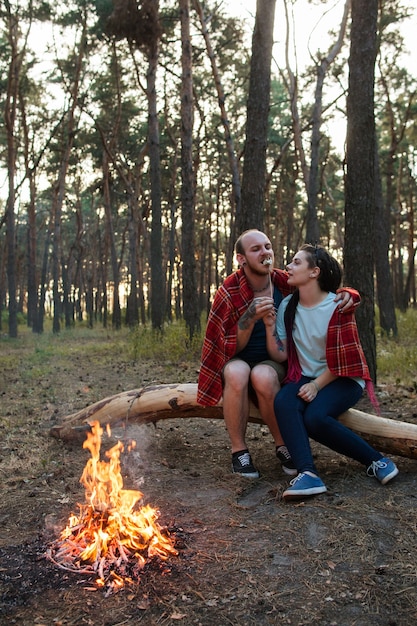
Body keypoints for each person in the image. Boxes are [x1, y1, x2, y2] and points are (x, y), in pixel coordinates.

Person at [197, 230, 359, 479]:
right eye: (256, 249)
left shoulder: (284, 283)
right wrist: (248, 318)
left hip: (275, 360)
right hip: (239, 357)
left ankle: (283, 446)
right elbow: (229, 348)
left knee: (262, 375)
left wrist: (350, 293)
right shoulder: (229, 291)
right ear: (241, 259)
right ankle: (239, 451)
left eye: (268, 246)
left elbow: (320, 288)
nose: (265, 253)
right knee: (237, 371)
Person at [265, 243, 399, 500]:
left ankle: (378, 461)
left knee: (315, 418)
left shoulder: (338, 306)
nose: (288, 267)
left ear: (314, 272)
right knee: (283, 401)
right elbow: (281, 355)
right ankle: (308, 474)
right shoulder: (288, 306)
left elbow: (345, 361)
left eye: (296, 262)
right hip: (305, 375)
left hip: (343, 378)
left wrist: (317, 385)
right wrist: (269, 324)